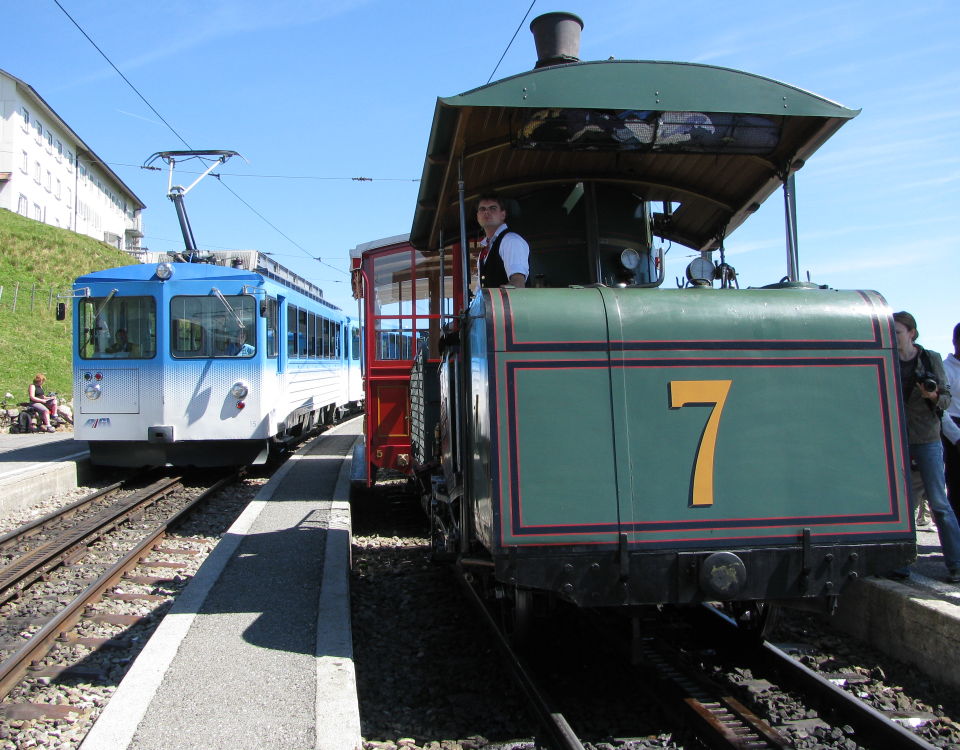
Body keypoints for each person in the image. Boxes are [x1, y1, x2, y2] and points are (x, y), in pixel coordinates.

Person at [891, 311, 960, 583]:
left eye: (897, 332)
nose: (893, 337)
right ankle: (901, 564)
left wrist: (931, 395)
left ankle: (955, 563)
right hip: (897, 437)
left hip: (927, 437)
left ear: (911, 333)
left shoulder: (930, 358)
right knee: (903, 506)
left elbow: (944, 401)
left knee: (939, 503)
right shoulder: (887, 360)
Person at [476, 193, 529, 288]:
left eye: (492, 208)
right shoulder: (484, 251)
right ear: (477, 216)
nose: (486, 212)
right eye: (482, 209)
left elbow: (517, 284)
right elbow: (480, 291)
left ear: (503, 215)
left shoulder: (511, 241)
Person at [942, 322, 960, 519]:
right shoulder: (946, 369)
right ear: (955, 342)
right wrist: (956, 437)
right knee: (956, 485)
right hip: (953, 430)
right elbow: (941, 409)